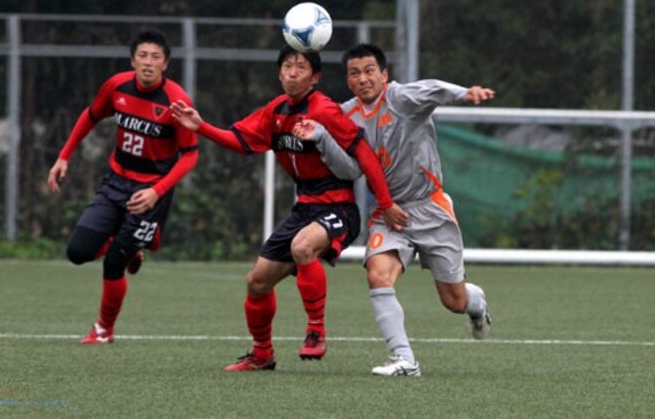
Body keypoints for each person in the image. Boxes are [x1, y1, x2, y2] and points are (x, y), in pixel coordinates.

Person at [170, 45, 407, 372]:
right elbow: (241, 142)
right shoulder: (275, 111)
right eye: (287, 66)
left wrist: (386, 202)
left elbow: (363, 152)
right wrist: (200, 126)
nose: (292, 73)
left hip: (338, 205)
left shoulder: (323, 110)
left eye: (300, 67)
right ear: (279, 72)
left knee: (302, 246)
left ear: (315, 77)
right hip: (304, 207)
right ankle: (262, 354)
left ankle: (316, 331)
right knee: (257, 282)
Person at [292, 43, 494, 376]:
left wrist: (464, 94)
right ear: (347, 80)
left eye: (370, 71)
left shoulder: (401, 98)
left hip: (430, 207)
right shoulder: (343, 115)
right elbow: (351, 171)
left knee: (453, 301)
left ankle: (476, 304)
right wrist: (322, 138)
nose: (363, 79)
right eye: (354, 73)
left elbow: (433, 89)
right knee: (378, 274)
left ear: (384, 75)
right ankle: (404, 359)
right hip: (388, 214)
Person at [47, 29, 199, 344]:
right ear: (132, 60)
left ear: (165, 64)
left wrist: (157, 191)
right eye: (142, 55)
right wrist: (64, 156)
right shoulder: (116, 86)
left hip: (151, 191)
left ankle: (104, 330)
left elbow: (190, 156)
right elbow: (90, 116)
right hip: (116, 182)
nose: (148, 62)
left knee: (115, 260)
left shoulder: (176, 101)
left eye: (155, 57)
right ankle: (129, 246)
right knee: (77, 252)